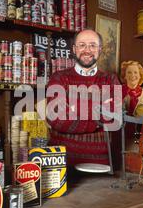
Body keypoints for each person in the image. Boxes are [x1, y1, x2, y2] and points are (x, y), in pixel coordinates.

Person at [46, 28, 120, 167]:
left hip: (101, 164)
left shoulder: (110, 79)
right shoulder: (59, 78)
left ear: (100, 49)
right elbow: (57, 119)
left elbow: (114, 118)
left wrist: (74, 108)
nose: (87, 50)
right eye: (82, 45)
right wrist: (98, 112)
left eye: (92, 45)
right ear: (74, 49)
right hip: (62, 164)